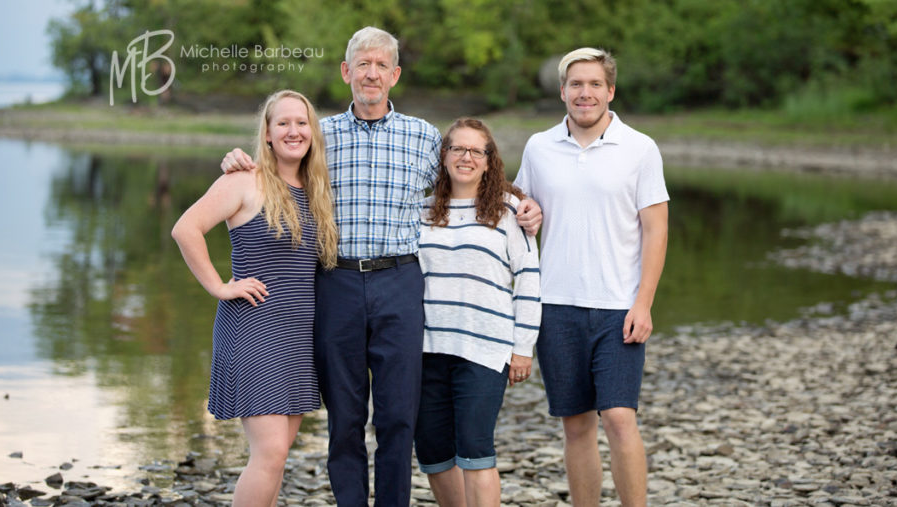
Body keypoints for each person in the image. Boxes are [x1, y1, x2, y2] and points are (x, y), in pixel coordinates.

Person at [221, 27, 542, 506]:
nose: (372, 74)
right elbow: (274, 167)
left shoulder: (423, 137)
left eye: (381, 66)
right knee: (344, 417)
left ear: (394, 75)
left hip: (399, 283)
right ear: (347, 72)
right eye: (362, 65)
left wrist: (521, 200)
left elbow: (469, 173)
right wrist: (235, 161)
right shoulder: (318, 135)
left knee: (397, 417)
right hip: (336, 283)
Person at [514, 48, 668, 507]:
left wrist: (644, 303)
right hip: (555, 306)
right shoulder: (539, 148)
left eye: (595, 84)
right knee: (576, 424)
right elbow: (520, 206)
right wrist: (528, 211)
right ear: (562, 91)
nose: (585, 93)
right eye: (576, 84)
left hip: (619, 307)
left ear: (610, 91)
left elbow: (656, 229)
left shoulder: (640, 148)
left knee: (619, 417)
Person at [172, 90, 340, 507]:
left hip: (297, 338)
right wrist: (219, 286)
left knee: (277, 457)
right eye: (282, 123)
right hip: (253, 330)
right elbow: (186, 229)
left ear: (313, 132)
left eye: (301, 123)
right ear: (266, 133)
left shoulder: (317, 189)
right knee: (270, 454)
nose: (293, 131)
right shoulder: (245, 181)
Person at [414, 118, 541, 507]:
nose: (465, 157)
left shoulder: (509, 211)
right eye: (457, 149)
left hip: (484, 350)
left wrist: (523, 348)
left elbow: (530, 281)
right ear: (444, 156)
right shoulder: (420, 209)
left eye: (476, 151)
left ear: (489, 161)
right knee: (434, 454)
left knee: (475, 449)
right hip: (425, 350)